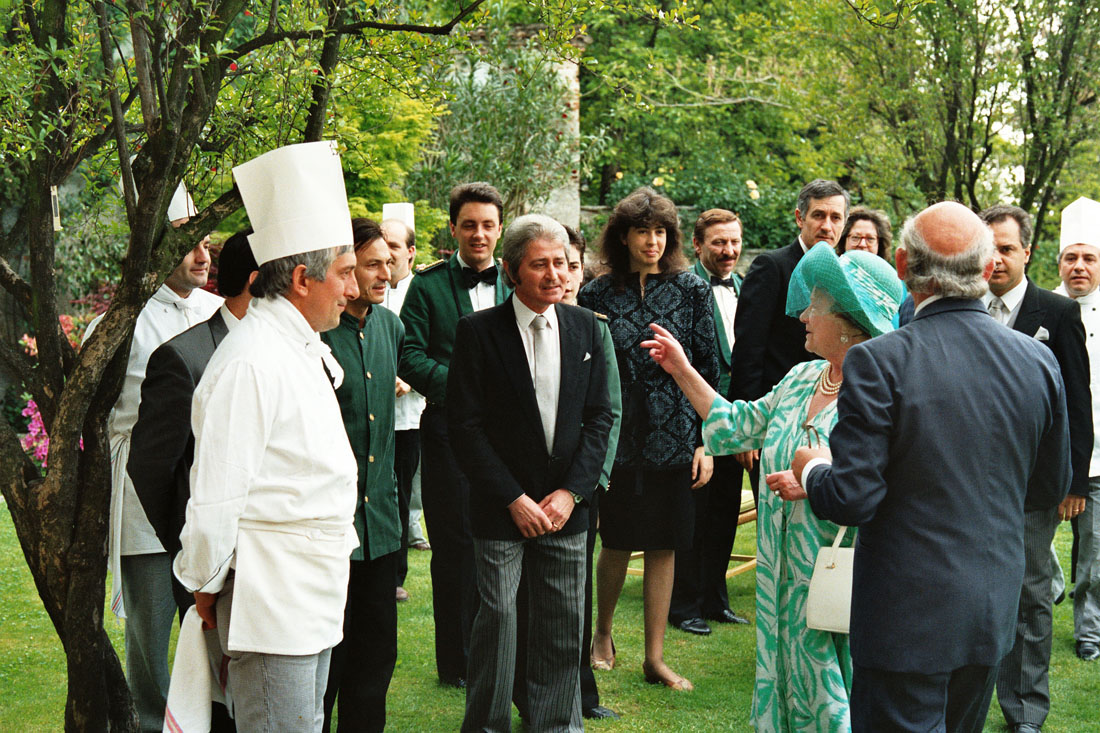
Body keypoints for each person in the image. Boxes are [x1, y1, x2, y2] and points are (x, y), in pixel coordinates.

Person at [790, 201, 1071, 733]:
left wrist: (812, 469)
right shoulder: (1037, 360)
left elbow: (851, 497)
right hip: (989, 607)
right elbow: (1048, 487)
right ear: (986, 268)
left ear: (901, 265)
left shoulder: (879, 360)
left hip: (904, 615)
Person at [641, 242, 904, 729]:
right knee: (783, 685)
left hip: (838, 572)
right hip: (779, 578)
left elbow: (892, 477)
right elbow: (737, 424)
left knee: (835, 692)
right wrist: (681, 369)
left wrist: (818, 478)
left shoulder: (882, 390)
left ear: (848, 323)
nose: (803, 314)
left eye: (815, 305)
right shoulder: (802, 377)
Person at [174, 141, 361, 732]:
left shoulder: (297, 347)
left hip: (310, 591)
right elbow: (216, 496)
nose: (355, 289)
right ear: (303, 279)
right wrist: (204, 582)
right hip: (272, 599)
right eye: (346, 272)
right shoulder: (251, 362)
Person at [448, 214, 613, 732]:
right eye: (540, 264)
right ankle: (488, 724)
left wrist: (571, 493)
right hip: (502, 508)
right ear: (511, 270)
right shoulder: (478, 332)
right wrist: (513, 499)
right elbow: (464, 426)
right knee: (497, 620)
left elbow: (601, 417)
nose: (554, 274)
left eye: (561, 263)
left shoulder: (587, 327)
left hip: (566, 510)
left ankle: (557, 724)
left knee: (563, 623)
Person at [83, 180, 223, 733]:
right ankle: (148, 721)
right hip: (144, 498)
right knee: (151, 629)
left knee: (214, 621)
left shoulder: (221, 312)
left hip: (211, 490)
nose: (202, 255)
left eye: (206, 242)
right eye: (188, 244)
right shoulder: (119, 324)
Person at [579, 186, 718, 691]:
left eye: (660, 231)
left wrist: (706, 441)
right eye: (642, 231)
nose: (652, 241)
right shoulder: (595, 293)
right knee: (615, 541)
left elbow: (709, 368)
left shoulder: (693, 289)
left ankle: (655, 659)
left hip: (677, 437)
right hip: (615, 439)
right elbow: (586, 371)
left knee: (665, 544)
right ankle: (602, 634)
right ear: (623, 236)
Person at [978, 204, 1091, 733]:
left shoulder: (1058, 313)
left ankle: (1024, 710)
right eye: (988, 249)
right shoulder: (963, 307)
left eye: (1006, 248)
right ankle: (965, 700)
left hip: (1031, 486)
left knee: (1029, 594)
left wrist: (1073, 482)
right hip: (967, 483)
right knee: (970, 593)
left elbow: (1076, 405)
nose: (997, 259)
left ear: (1027, 251)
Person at [398, 182, 511, 687]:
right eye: (469, 225)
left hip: (511, 433)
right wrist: (466, 386)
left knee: (503, 540)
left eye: (487, 225)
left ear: (500, 229)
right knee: (454, 545)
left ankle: (501, 649)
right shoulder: (427, 286)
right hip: (448, 430)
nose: (478, 234)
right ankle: (456, 662)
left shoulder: (517, 279)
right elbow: (408, 355)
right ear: (453, 229)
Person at [321, 218, 405, 733]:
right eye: (372, 264)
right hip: (332, 528)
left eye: (387, 263)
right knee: (327, 661)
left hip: (382, 528)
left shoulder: (391, 327)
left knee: (376, 659)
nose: (384, 273)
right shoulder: (318, 334)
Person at [729, 179, 849, 503]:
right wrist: (747, 431)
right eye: (818, 215)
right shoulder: (772, 266)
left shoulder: (845, 273)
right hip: (776, 420)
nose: (827, 226)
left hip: (831, 421)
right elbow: (748, 349)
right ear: (800, 218)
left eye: (835, 217)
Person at [669, 208, 751, 638]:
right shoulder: (683, 290)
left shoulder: (747, 288)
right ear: (698, 245)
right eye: (719, 242)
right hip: (696, 420)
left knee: (723, 513)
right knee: (693, 516)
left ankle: (716, 600)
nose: (729, 250)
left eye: (734, 242)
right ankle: (683, 606)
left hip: (737, 421)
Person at [1056, 196, 1100, 664]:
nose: (1079, 267)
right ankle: (1049, 587)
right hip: (1045, 453)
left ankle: (1089, 629)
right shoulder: (1044, 309)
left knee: (1095, 555)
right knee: (1030, 544)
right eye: (1071, 258)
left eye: (1089, 258)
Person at [379, 206, 429, 600]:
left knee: (398, 495)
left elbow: (428, 349)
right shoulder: (367, 286)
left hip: (408, 416)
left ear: (410, 252)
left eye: (394, 245)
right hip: (369, 415)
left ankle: (395, 576)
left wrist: (410, 379)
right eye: (382, 244)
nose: (387, 252)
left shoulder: (421, 291)